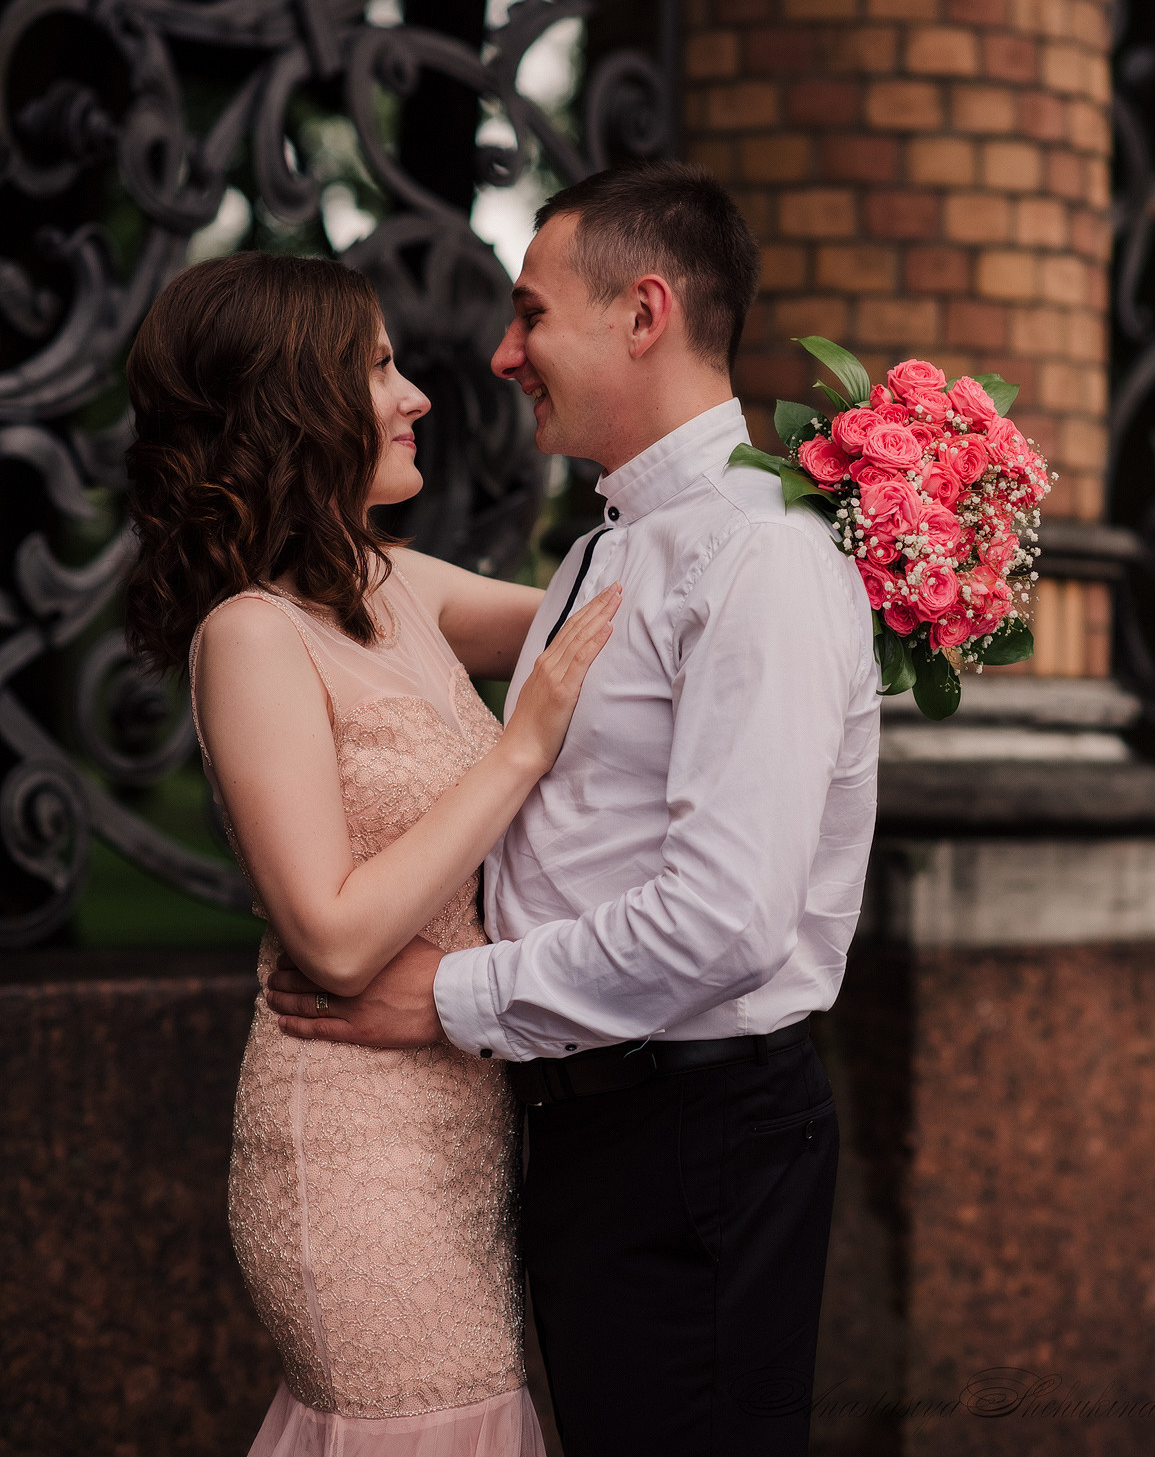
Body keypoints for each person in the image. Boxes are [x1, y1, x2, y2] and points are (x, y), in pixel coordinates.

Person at [269, 163, 882, 1457]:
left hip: (692, 1140)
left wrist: (442, 996)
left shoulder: (757, 556)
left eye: (530, 314)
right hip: (594, 1126)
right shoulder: (610, 543)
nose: (500, 355)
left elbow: (723, 922)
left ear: (641, 312)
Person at [123, 250, 620, 1457]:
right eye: (380, 368)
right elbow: (334, 936)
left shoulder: (393, 584)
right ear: (296, 404)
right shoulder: (250, 637)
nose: (418, 396)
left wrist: (836, 505)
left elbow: (619, 610)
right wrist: (520, 748)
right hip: (352, 1151)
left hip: (463, 1120)